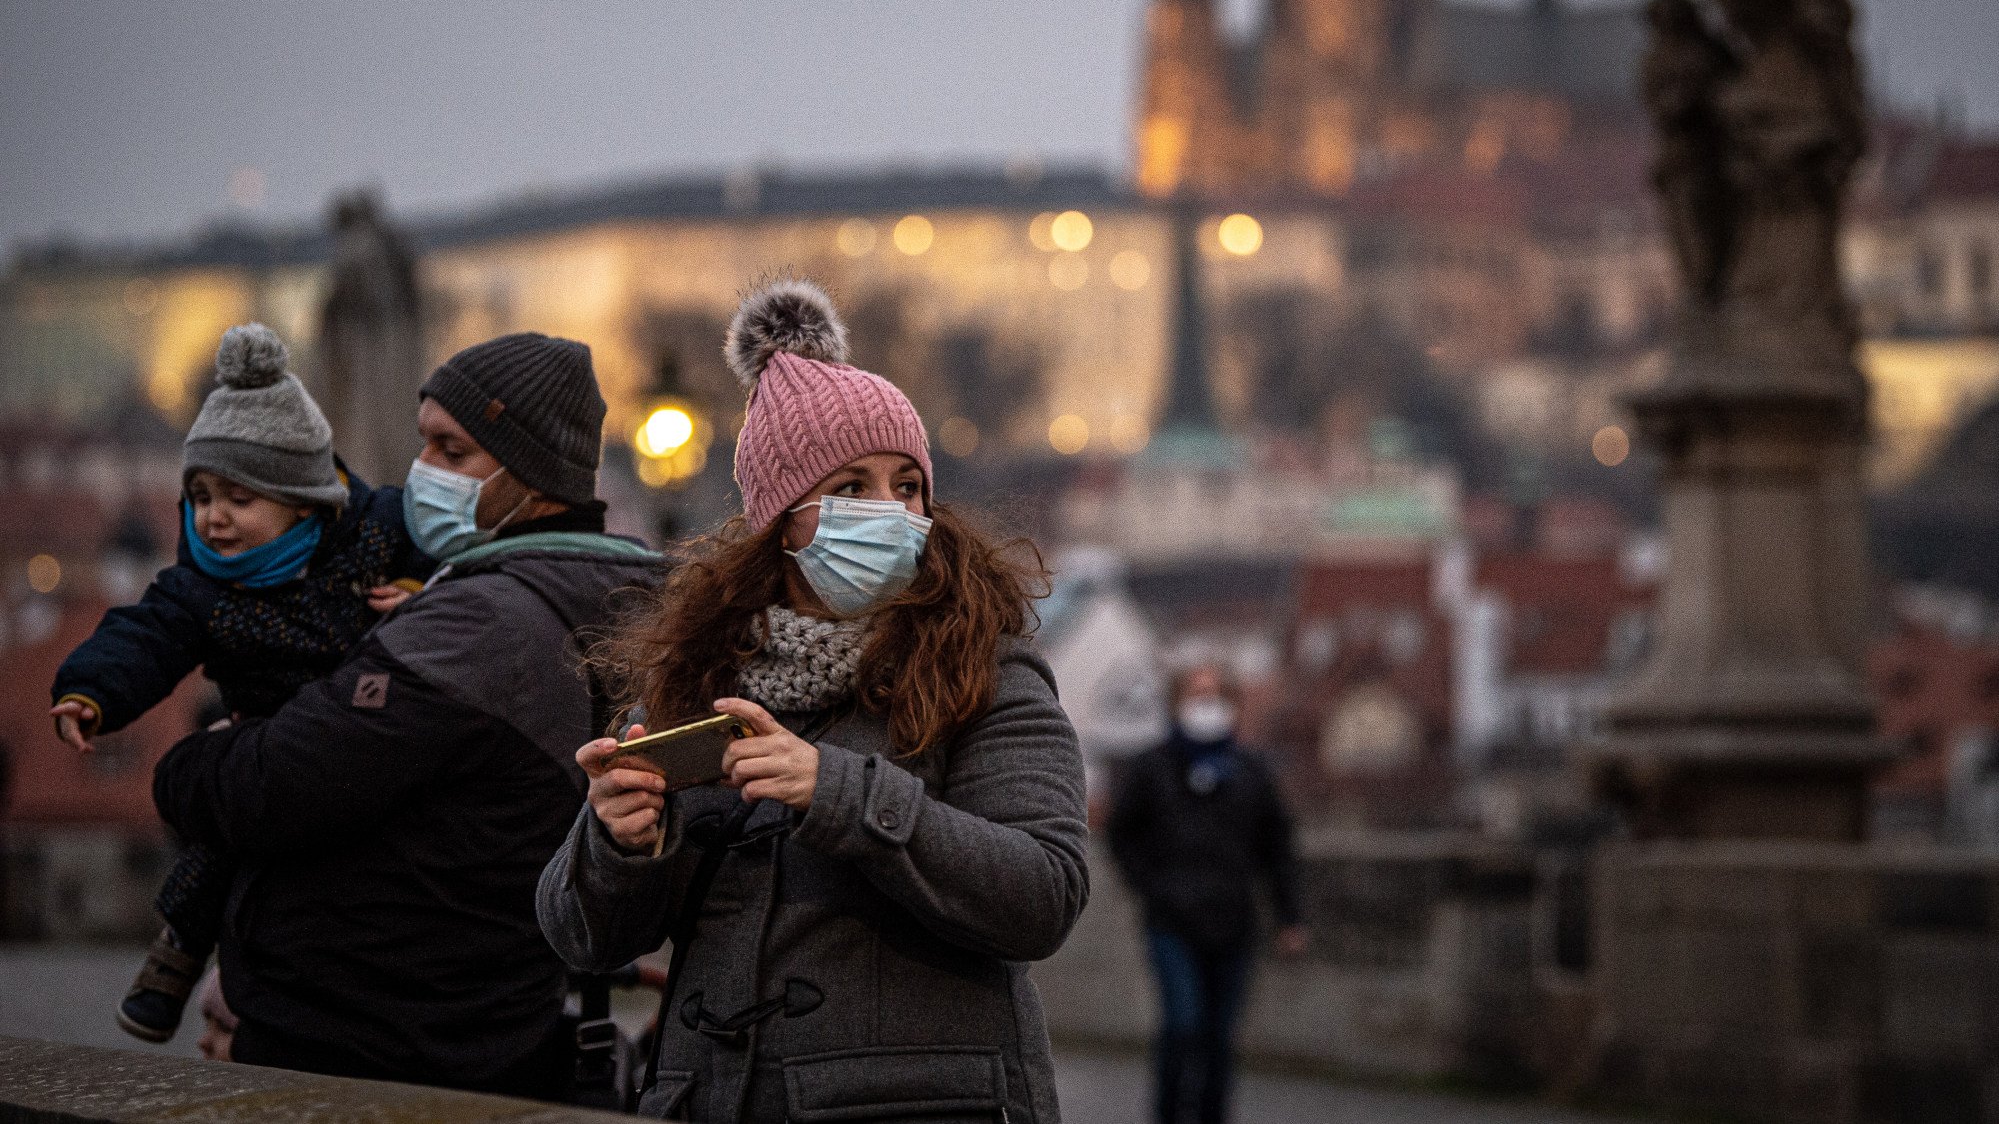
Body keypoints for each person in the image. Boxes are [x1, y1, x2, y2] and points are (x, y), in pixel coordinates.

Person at [537, 279, 1089, 1123]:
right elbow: (582, 938)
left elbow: (1044, 893)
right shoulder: (696, 673)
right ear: (781, 517)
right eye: (853, 486)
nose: (892, 511)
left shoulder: (987, 668)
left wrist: (841, 792)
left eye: (908, 485)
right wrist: (617, 837)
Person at [152, 331, 661, 1099]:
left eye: (452, 451)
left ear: (534, 475)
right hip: (475, 1035)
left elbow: (268, 787)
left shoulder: (479, 625)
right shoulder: (598, 599)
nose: (423, 471)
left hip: (367, 1054)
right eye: (425, 444)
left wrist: (192, 757)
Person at [45, 323, 430, 1043]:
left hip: (357, 727)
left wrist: (412, 582)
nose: (213, 517)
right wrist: (90, 688)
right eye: (200, 496)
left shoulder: (370, 528)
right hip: (262, 732)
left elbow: (421, 535)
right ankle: (175, 957)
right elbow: (145, 635)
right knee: (217, 850)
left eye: (238, 498)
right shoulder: (200, 588)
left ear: (304, 498)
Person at [1108, 665, 1306, 1124]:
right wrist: (1151, 886)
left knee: (1219, 1038)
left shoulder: (1252, 771)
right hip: (1171, 921)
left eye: (1216, 695)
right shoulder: (1152, 767)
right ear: (1177, 702)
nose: (1207, 704)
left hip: (1234, 922)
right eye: (1197, 695)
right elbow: (1122, 835)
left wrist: (1290, 918)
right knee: (1183, 1023)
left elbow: (1278, 849)